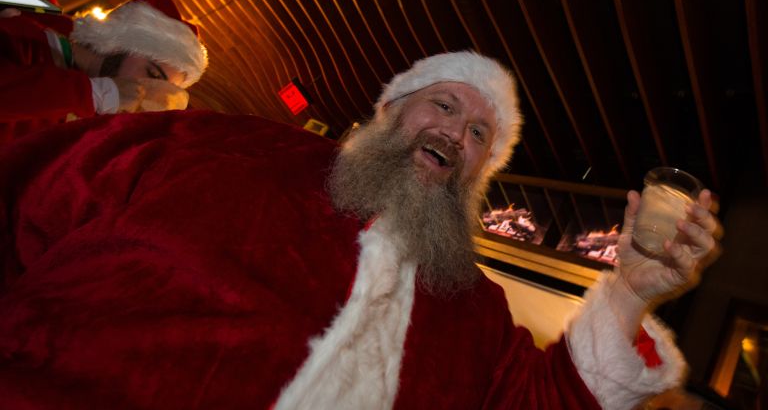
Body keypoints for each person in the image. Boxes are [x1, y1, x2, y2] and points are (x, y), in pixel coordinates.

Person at [0, 52, 720, 409]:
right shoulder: (223, 148)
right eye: (442, 104)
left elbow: (539, 398)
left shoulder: (469, 302)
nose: (457, 133)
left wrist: (629, 292)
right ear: (388, 113)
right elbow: (23, 189)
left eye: (478, 133)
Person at [0, 0, 208, 146]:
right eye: (152, 74)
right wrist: (95, 93)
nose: (144, 89)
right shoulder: (38, 14)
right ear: (122, 42)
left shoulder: (85, 125)